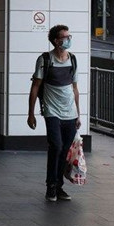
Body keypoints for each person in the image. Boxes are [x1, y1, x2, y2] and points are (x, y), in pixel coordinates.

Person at [27, 24, 81, 202]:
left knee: (64, 150)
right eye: (65, 37)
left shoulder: (73, 60)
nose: (69, 39)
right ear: (56, 41)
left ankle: (58, 186)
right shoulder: (45, 60)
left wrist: (79, 114)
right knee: (56, 146)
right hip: (52, 111)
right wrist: (31, 113)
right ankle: (50, 186)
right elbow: (35, 87)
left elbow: (75, 89)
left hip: (70, 113)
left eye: (69, 36)